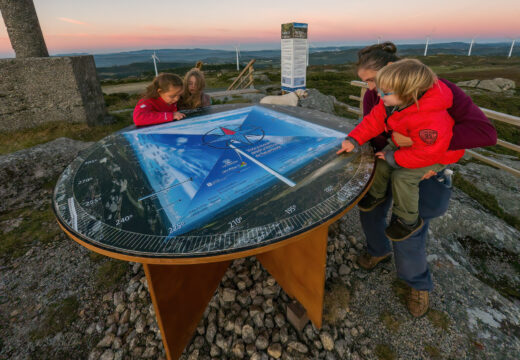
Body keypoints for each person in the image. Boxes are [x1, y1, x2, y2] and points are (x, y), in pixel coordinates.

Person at [340, 42, 496, 318]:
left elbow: (485, 133)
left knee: (410, 227)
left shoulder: (440, 91)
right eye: (365, 83)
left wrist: (425, 149)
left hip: (425, 161)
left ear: (391, 70)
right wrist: (360, 143)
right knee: (370, 210)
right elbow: (374, 126)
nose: (370, 90)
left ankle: (416, 283)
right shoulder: (375, 96)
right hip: (388, 158)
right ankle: (378, 251)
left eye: (372, 81)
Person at [339, 59, 465, 241]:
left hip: (435, 154)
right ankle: (376, 195)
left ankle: (407, 220)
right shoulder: (391, 103)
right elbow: (373, 121)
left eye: (385, 92)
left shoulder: (430, 119)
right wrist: (353, 139)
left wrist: (394, 157)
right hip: (410, 146)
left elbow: (428, 153)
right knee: (380, 163)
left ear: (408, 92)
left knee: (402, 178)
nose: (379, 95)